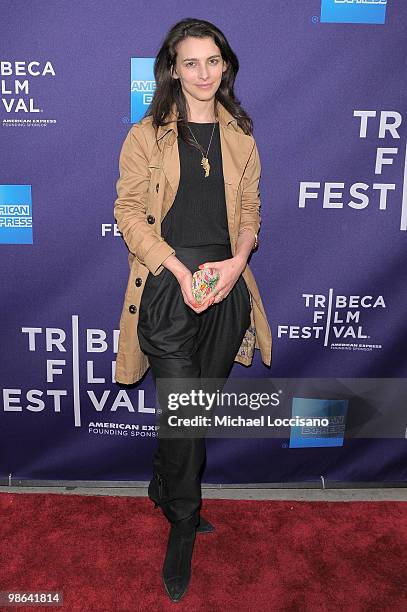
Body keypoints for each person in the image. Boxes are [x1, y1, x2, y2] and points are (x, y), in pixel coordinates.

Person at [114, 17, 272, 602]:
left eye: (213, 61)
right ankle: (183, 523)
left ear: (224, 65)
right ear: (172, 70)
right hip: (166, 287)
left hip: (226, 289)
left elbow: (251, 210)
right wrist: (179, 271)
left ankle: (163, 483)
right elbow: (128, 214)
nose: (204, 73)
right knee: (185, 413)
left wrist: (233, 266)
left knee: (193, 415)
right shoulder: (145, 135)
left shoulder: (242, 137)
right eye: (191, 63)